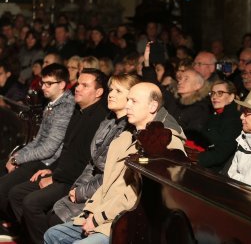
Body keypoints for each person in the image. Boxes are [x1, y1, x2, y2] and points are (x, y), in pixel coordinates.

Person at [44, 82, 186, 244]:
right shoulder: (128, 136)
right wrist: (91, 211)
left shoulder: (163, 142)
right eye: (128, 100)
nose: (127, 106)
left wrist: (97, 218)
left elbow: (135, 197)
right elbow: (108, 181)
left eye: (134, 101)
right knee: (53, 234)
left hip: (131, 223)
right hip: (108, 214)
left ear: (153, 106)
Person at [6, 69, 108, 243]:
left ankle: (46, 239)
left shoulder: (99, 118)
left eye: (85, 85)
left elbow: (85, 163)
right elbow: (66, 151)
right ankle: (32, 237)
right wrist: (49, 170)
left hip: (75, 181)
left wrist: (54, 177)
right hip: (61, 174)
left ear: (98, 92)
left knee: (31, 203)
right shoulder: (78, 111)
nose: (77, 88)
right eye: (78, 83)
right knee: (16, 193)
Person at [49, 73, 141, 226]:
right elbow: (92, 163)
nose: (110, 94)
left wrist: (80, 192)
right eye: (111, 90)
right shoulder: (109, 121)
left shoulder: (130, 131)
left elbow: (111, 176)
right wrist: (77, 189)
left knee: (53, 218)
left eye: (118, 91)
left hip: (106, 195)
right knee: (52, 214)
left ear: (132, 97)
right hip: (88, 185)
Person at [0, 64, 75, 237]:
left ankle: (23, 231)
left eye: (49, 84)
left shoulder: (65, 107)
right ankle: (16, 225)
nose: (43, 87)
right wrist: (16, 156)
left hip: (48, 161)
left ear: (62, 84)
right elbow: (38, 139)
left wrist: (20, 159)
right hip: (40, 156)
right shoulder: (52, 103)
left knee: (4, 189)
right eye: (43, 83)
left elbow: (49, 148)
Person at [188, 80, 242, 172]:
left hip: (211, 171)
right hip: (201, 162)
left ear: (231, 97)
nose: (214, 97)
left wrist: (193, 159)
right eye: (212, 93)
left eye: (220, 93)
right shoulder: (215, 114)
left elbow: (220, 154)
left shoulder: (233, 120)